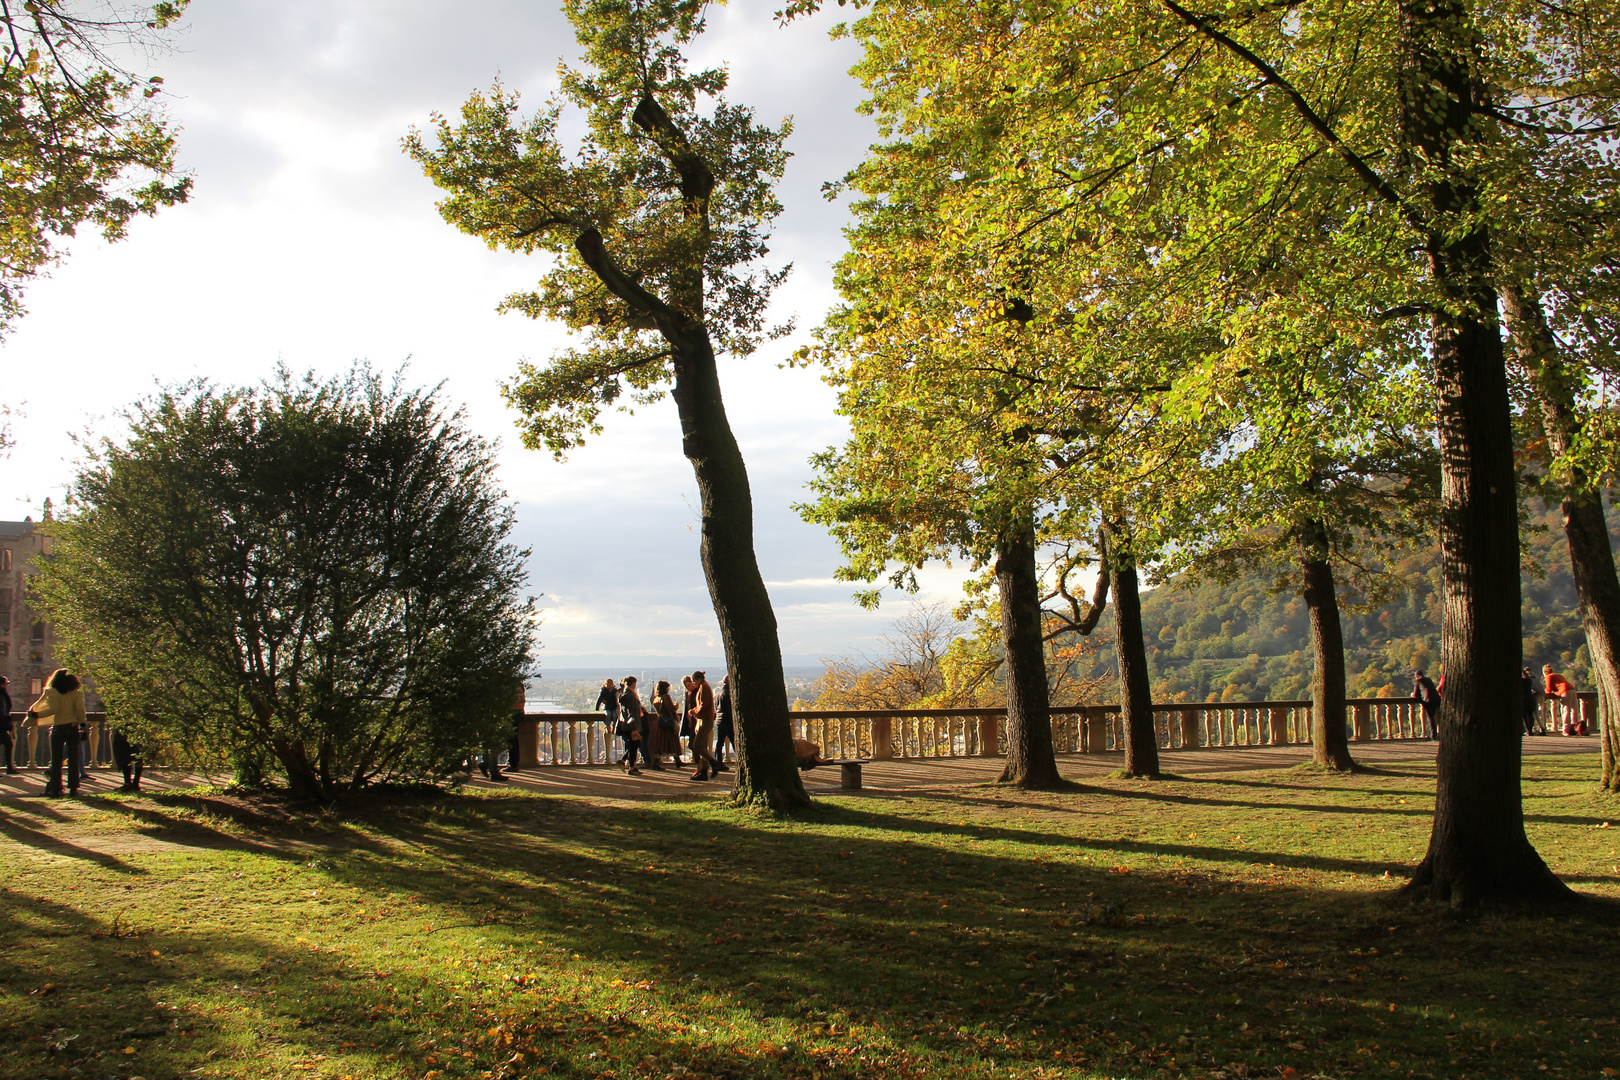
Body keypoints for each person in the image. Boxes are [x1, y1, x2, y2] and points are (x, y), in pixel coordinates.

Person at [28, 668, 87, 797]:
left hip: (58, 727)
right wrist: (82, 723)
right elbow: (80, 709)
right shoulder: (76, 692)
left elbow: (53, 709)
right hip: (72, 727)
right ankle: (73, 788)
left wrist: (37, 715)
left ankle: (56, 788)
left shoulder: (53, 691)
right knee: (73, 759)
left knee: (56, 759)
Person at [688, 670, 724, 781]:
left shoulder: (704, 687)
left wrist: (695, 712)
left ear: (698, 679)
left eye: (694, 681)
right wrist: (695, 710)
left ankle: (713, 762)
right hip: (702, 719)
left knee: (697, 745)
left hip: (705, 720)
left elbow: (704, 704)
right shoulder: (703, 686)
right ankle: (704, 772)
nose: (694, 684)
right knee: (702, 746)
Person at [618, 677, 658, 770]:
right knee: (634, 745)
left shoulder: (624, 695)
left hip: (627, 724)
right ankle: (631, 766)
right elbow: (633, 713)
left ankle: (625, 762)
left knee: (634, 745)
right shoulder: (631, 696)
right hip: (633, 725)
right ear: (633, 684)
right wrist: (635, 728)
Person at [649, 680, 685, 766]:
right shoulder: (666, 697)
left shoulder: (656, 699)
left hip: (661, 722)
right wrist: (675, 707)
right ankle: (676, 761)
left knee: (662, 742)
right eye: (667, 688)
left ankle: (658, 762)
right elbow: (670, 709)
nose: (668, 689)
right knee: (673, 741)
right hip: (669, 722)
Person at [1543, 664, 1582, 735]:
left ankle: (1566, 730)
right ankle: (1575, 728)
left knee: (1566, 710)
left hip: (1565, 691)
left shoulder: (1548, 677)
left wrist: (1544, 694)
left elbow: (1548, 690)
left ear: (1545, 672)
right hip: (1572, 690)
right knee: (1574, 710)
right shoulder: (1559, 675)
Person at [112, 727, 144, 792]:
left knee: (124, 754)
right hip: (136, 729)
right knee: (136, 756)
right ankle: (134, 783)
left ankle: (129, 783)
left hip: (125, 730)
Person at [1413, 668, 1441, 739]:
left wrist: (1412, 695)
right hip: (1436, 698)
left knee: (1430, 718)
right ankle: (1436, 733)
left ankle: (1433, 735)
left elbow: (1416, 693)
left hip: (1428, 700)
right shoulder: (1428, 679)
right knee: (1437, 717)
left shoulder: (1418, 680)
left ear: (1416, 676)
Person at [714, 675, 735, 766]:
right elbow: (729, 709)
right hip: (727, 720)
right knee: (734, 741)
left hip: (719, 720)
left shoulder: (718, 693)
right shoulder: (728, 694)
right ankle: (741, 759)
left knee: (719, 742)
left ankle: (718, 761)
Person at [1521, 667, 1542, 735]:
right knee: (1530, 715)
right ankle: (1530, 730)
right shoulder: (1529, 680)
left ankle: (1527, 730)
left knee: (1524, 716)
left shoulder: (1522, 681)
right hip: (1531, 698)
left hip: (1524, 698)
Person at [0, 675, 14, 774]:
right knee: (8, 743)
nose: (7, 685)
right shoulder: (2, 695)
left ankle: (9, 768)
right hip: (1, 725)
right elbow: (3, 711)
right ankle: (9, 768)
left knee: (8, 744)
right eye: (6, 683)